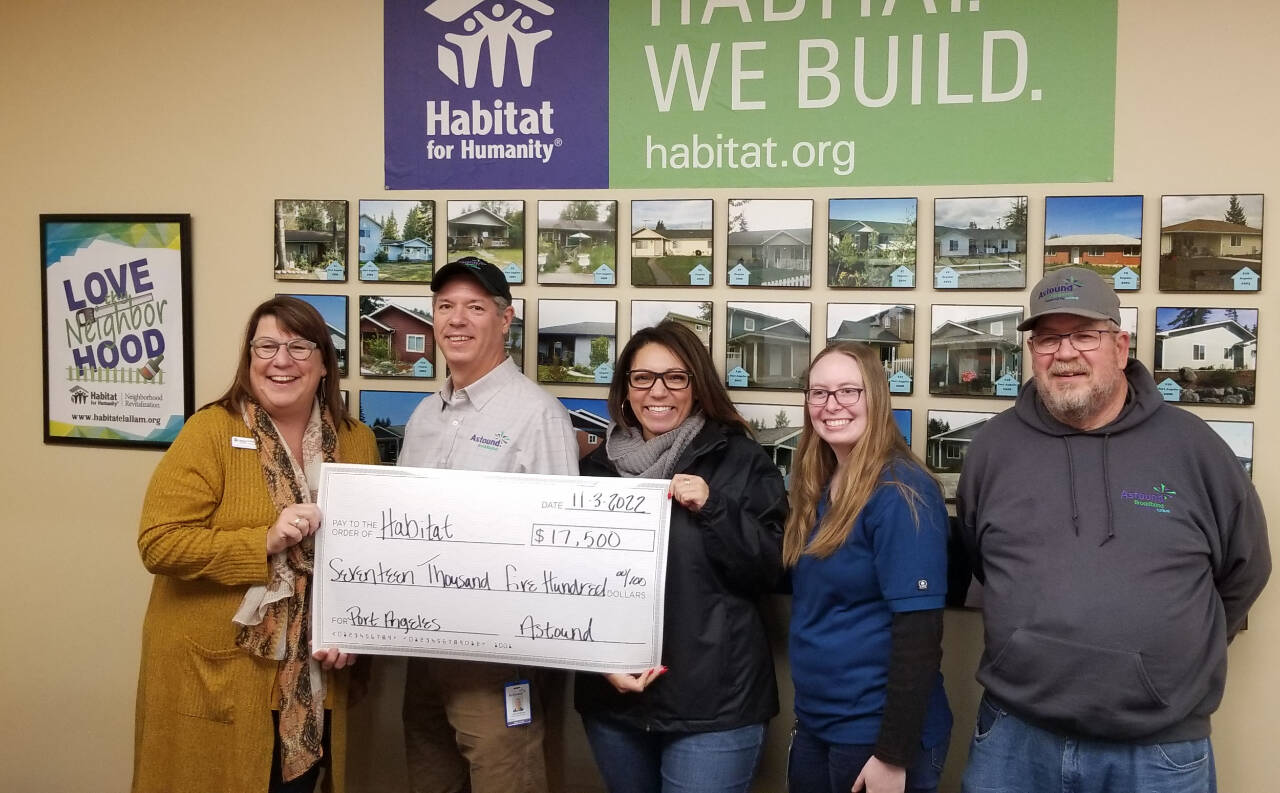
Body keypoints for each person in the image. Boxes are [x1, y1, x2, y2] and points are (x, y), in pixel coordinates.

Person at [956, 267, 1271, 792]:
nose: (1065, 354)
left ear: (1120, 347)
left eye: (1084, 335)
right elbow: (980, 556)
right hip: (1014, 737)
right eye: (1048, 339)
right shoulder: (993, 448)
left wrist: (1166, 660)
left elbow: (1245, 570)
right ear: (1032, 351)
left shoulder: (1193, 449)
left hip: (1157, 749)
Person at [133, 296, 379, 793]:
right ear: (249, 359)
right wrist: (262, 541)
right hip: (216, 674)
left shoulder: (357, 441)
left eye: (298, 347)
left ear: (325, 363)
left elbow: (370, 557)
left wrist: (352, 633)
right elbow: (158, 543)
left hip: (314, 679)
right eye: (266, 346)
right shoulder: (210, 430)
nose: (280, 360)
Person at [574, 321, 787, 793]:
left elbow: (769, 569)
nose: (658, 392)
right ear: (625, 388)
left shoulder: (740, 459)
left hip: (714, 710)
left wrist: (714, 507)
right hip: (614, 703)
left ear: (697, 385)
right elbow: (568, 584)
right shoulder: (594, 471)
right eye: (643, 377)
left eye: (675, 377)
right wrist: (596, 662)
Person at [397, 257, 579, 793]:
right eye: (445, 306)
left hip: (496, 660)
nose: (456, 319)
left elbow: (560, 545)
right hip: (422, 648)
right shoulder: (424, 416)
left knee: (507, 779)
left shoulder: (538, 415)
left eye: (475, 307)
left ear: (505, 319)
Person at [785, 342, 952, 793]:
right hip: (818, 722)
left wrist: (892, 755)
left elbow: (919, 633)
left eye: (848, 391)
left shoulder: (901, 492)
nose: (831, 405)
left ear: (876, 397)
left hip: (875, 736)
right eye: (819, 393)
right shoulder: (822, 483)